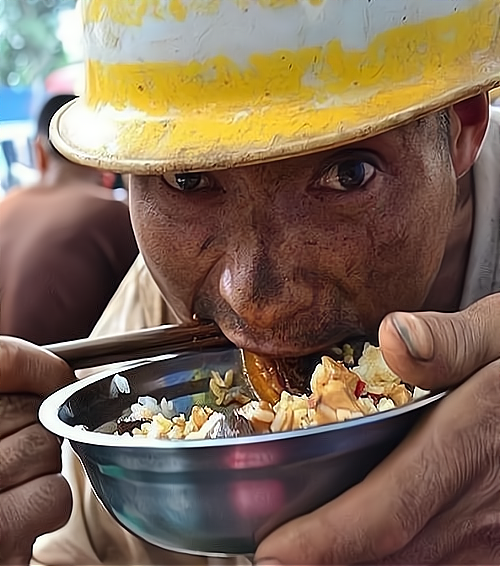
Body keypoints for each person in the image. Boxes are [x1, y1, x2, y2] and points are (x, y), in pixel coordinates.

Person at [2, 1, 500, 564]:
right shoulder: (155, 302)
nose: (255, 302)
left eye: (349, 172)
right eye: (187, 178)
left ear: (463, 125)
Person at [0, 94, 138, 345]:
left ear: (38, 153)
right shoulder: (114, 214)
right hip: (65, 382)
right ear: (105, 155)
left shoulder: (6, 206)